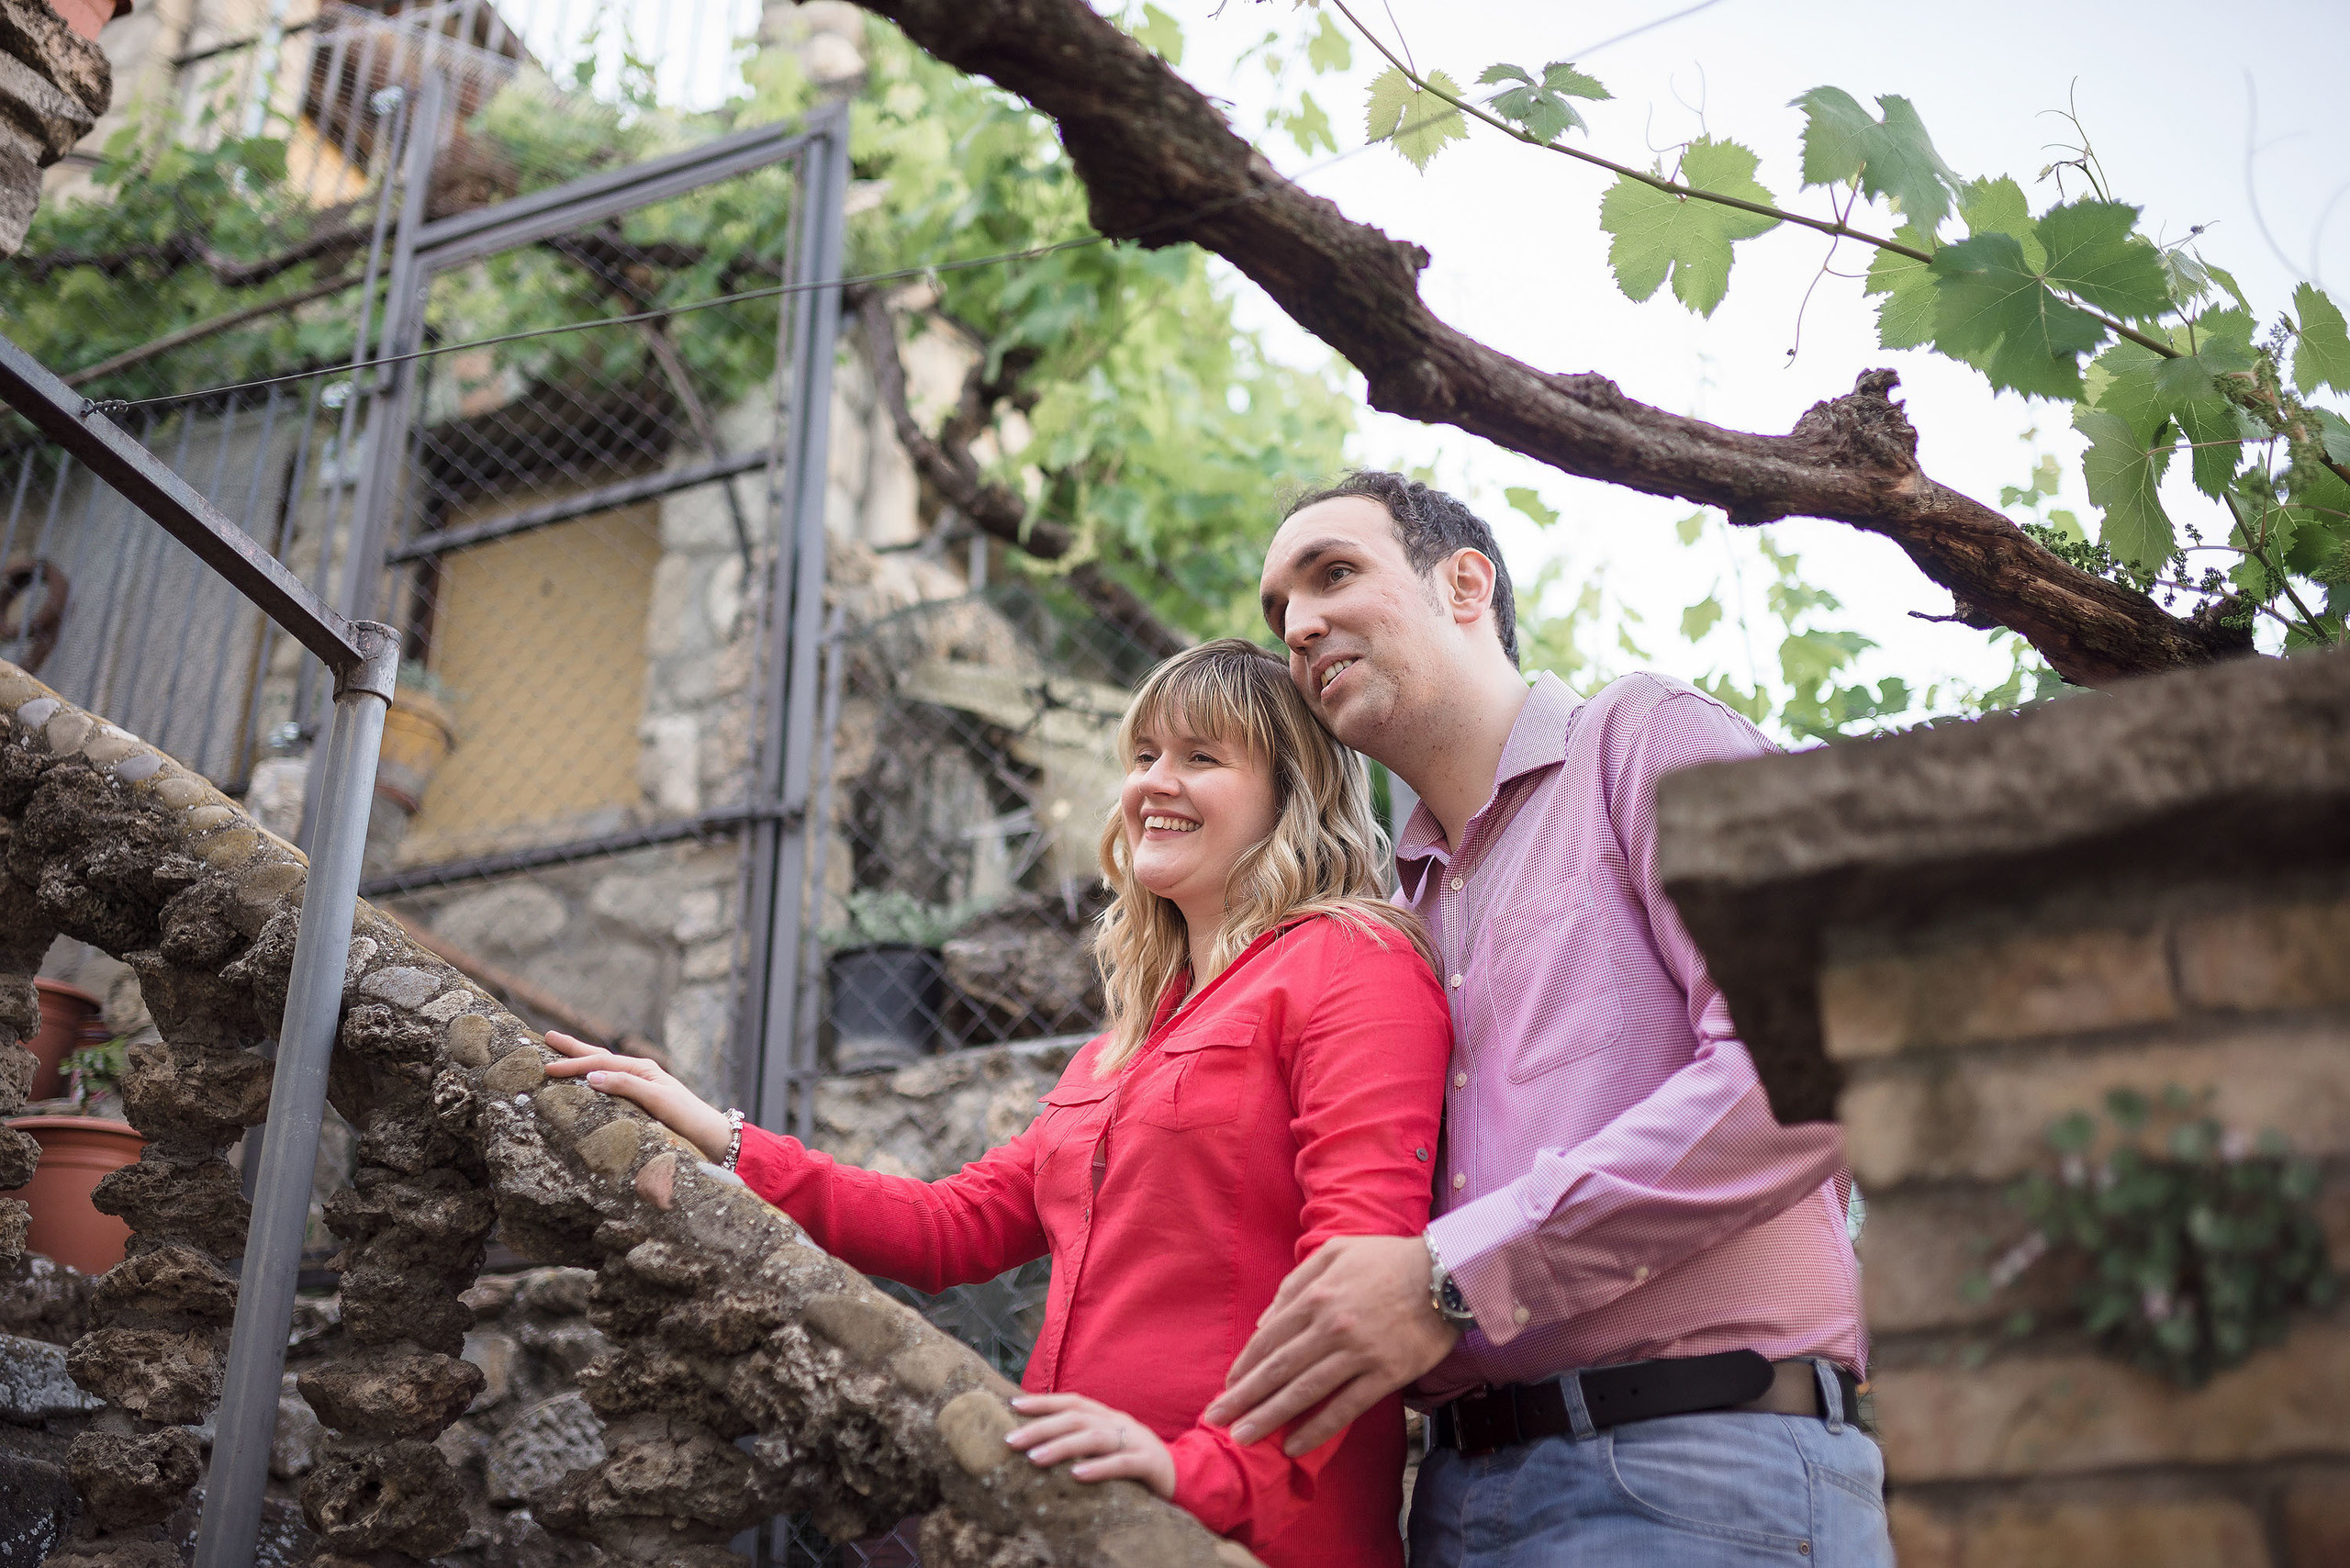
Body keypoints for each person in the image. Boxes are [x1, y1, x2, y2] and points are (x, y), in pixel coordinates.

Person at [544, 638, 1452, 1568]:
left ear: (1288, 792)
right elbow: (955, 1225)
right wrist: (724, 1138)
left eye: (1202, 758)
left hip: (1253, 1531)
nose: (1154, 783)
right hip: (1080, 1520)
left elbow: (1361, 1287)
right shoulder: (1118, 1047)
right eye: (1143, 756)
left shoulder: (1350, 962)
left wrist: (1200, 1467)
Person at [1206, 472, 1892, 1567]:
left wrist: (1454, 1272)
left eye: (1333, 574)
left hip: (1698, 1467)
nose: (1297, 625)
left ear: (1465, 582)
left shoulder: (1646, 738)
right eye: (1277, 608)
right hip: (1459, 1497)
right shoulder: (1398, 914)